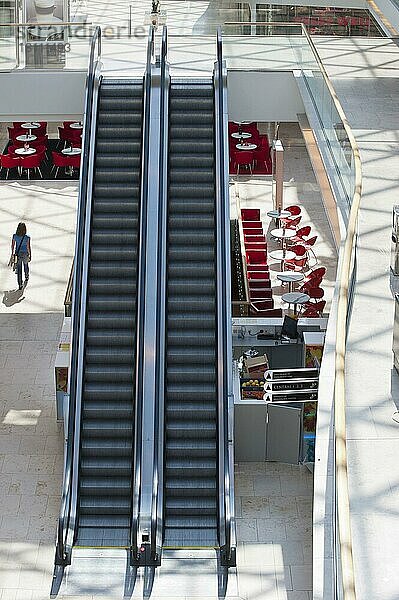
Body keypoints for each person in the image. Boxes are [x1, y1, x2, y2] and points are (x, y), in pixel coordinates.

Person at [11, 223, 31, 290]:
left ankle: (20, 284)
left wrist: (12, 253)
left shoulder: (15, 236)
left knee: (19, 269)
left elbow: (13, 245)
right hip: (25, 253)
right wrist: (30, 254)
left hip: (18, 253)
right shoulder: (27, 237)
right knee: (26, 265)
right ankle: (26, 276)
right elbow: (28, 246)